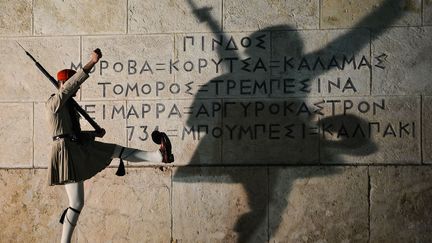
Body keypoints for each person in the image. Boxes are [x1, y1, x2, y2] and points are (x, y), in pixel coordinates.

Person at [45, 49, 174, 243]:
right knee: (76, 203)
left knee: (113, 152)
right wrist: (91, 63)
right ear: (63, 85)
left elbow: (75, 134)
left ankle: (157, 156)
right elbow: (70, 88)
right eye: (71, 87)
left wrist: (94, 134)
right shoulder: (54, 103)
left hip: (77, 148)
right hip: (66, 155)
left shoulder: (68, 107)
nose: (76, 91)